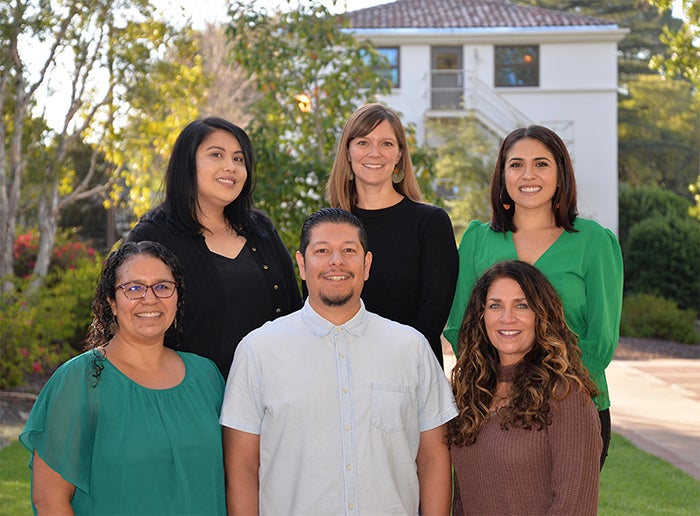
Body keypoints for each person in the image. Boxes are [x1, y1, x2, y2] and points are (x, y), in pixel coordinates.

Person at [221, 207, 457, 515]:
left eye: (349, 250)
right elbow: (242, 468)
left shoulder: (410, 348)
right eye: (322, 251)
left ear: (366, 264)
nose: (337, 261)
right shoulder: (258, 350)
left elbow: (433, 459)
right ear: (302, 265)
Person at [443, 125, 623, 467]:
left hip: (572, 405)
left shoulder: (594, 242)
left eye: (541, 164)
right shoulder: (478, 240)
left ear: (560, 175)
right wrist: (501, 389)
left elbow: (600, 342)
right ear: (502, 174)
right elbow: (460, 328)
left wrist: (545, 391)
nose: (528, 175)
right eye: (516, 164)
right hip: (492, 406)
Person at [19, 241, 225, 515]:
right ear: (112, 302)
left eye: (162, 286)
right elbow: (49, 499)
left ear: (177, 298)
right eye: (134, 288)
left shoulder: (206, 376)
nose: (149, 298)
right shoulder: (81, 380)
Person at [126, 117, 302, 378]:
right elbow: (128, 322)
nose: (230, 167)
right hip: (189, 401)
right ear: (188, 164)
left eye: (238, 159)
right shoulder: (152, 237)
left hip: (268, 398)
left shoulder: (261, 231)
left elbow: (293, 313)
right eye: (216, 155)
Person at [448, 260, 602, 515]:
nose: (507, 318)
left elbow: (574, 506)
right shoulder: (470, 392)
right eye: (495, 305)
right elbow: (463, 500)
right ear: (482, 315)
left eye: (522, 305)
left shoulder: (566, 395)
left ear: (541, 314)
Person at [327, 103, 458, 367]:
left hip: (411, 375)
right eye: (363, 143)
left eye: (386, 144)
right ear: (348, 153)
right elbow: (318, 310)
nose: (374, 153)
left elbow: (431, 317)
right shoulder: (327, 227)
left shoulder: (431, 224)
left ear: (399, 155)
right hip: (342, 373)